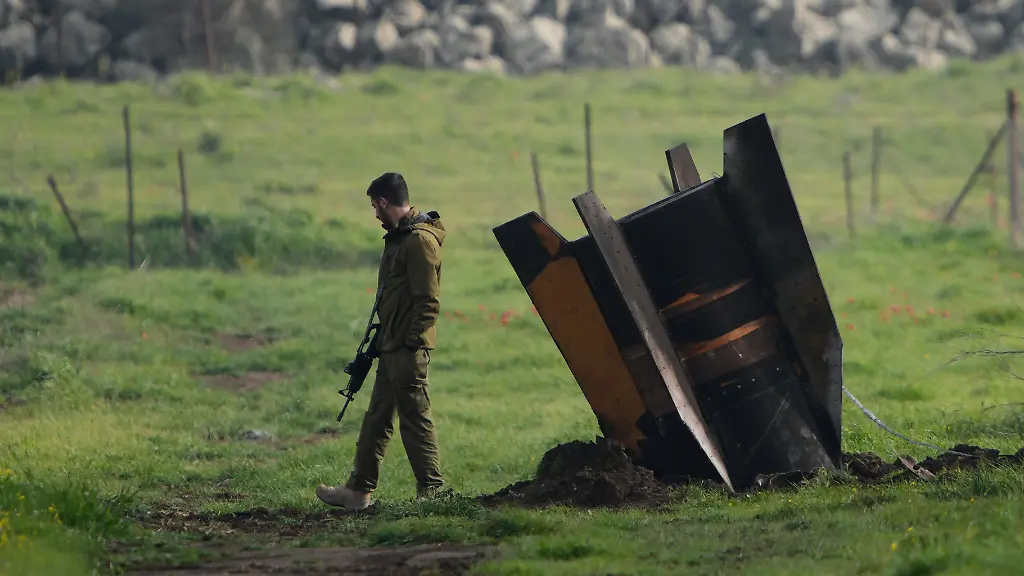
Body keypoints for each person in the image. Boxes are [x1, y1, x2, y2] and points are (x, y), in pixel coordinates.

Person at [316, 172, 447, 510]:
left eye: (375, 207)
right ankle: (358, 491)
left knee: (415, 419)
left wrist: (410, 341)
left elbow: (428, 302)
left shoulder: (418, 241)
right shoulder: (401, 238)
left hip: (406, 349)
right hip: (391, 345)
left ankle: (433, 492)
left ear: (384, 202)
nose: (375, 214)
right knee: (377, 417)